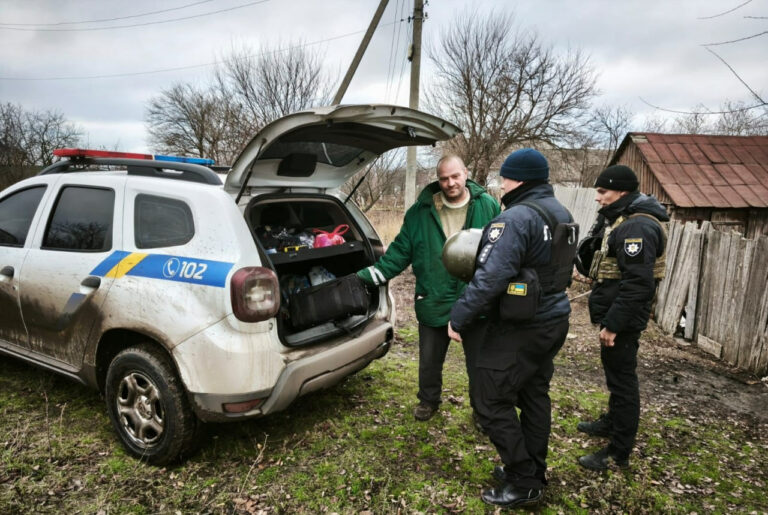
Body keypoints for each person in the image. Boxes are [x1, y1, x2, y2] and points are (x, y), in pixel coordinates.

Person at [448, 148, 575, 508]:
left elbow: (490, 278)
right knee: (534, 395)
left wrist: (459, 317)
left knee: (489, 399)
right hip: (553, 319)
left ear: (518, 179)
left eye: (504, 177)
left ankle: (522, 479)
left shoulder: (516, 218)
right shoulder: (558, 211)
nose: (501, 184)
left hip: (523, 325)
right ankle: (533, 470)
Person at [357, 155, 500, 421]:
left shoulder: (488, 205)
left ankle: (483, 411)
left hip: (476, 298)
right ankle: (428, 400)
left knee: (480, 363)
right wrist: (366, 277)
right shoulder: (420, 212)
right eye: (444, 178)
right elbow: (399, 253)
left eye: (455, 176)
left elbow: (502, 250)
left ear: (465, 173)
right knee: (430, 361)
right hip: (433, 296)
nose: (450, 183)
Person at [575, 164, 669, 471]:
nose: (598, 198)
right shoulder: (624, 220)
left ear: (622, 192)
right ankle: (611, 422)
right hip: (619, 312)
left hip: (624, 319)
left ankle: (618, 451)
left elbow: (639, 284)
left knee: (623, 383)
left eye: (603, 192)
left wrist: (614, 325)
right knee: (616, 378)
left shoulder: (637, 228)